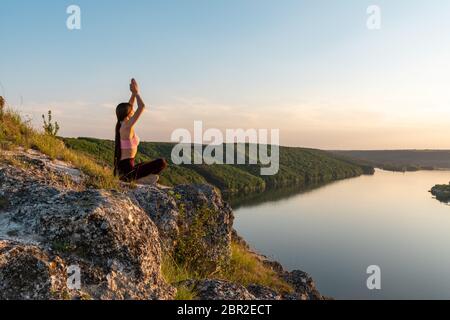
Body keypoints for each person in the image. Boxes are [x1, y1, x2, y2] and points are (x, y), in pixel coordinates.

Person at [114, 79, 167, 184]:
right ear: (128, 114)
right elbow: (142, 107)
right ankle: (136, 180)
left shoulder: (123, 123)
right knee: (161, 162)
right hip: (127, 171)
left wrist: (133, 94)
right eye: (131, 111)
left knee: (148, 164)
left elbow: (130, 105)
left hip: (128, 167)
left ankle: (136, 178)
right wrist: (137, 93)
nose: (133, 111)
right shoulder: (126, 126)